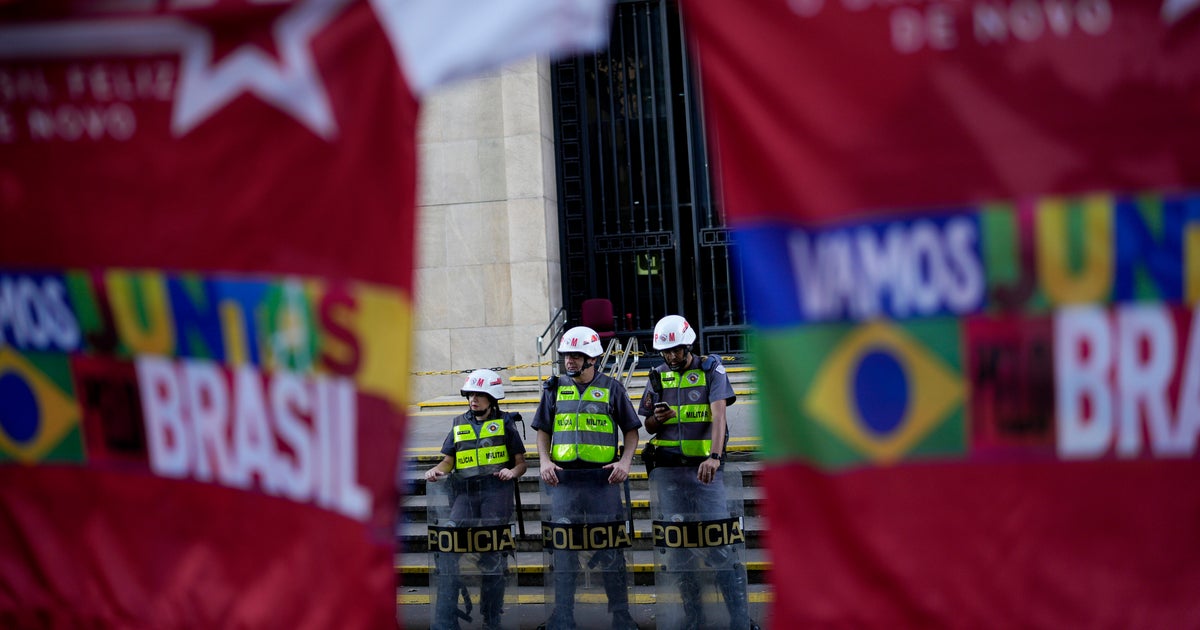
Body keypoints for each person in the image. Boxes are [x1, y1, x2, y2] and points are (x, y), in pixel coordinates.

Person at [639, 315, 756, 630]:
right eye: (666, 351)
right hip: (670, 476)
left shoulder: (710, 369)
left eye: (676, 350)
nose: (672, 356)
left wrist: (715, 457)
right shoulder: (657, 376)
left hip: (706, 474)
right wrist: (658, 419)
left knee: (719, 546)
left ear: (687, 344)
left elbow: (719, 416)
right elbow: (648, 425)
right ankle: (694, 619)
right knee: (680, 552)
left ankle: (739, 620)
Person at [533, 325, 641, 630]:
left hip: (602, 482)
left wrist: (625, 461)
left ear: (592, 358)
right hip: (564, 482)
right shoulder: (553, 388)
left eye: (577, 356)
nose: (570, 361)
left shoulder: (612, 388)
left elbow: (631, 431)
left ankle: (620, 614)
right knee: (564, 552)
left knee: (610, 549)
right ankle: (562, 615)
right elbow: (543, 430)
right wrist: (543, 461)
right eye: (567, 355)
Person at [425, 369, 528, 630]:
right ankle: (447, 614)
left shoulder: (506, 423)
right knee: (448, 547)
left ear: (492, 397)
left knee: (493, 555)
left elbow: (520, 464)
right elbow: (448, 461)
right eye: (470, 394)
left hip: (496, 493)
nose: (473, 399)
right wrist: (437, 471)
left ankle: (491, 618)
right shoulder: (459, 422)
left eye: (479, 395)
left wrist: (511, 471)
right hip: (465, 494)